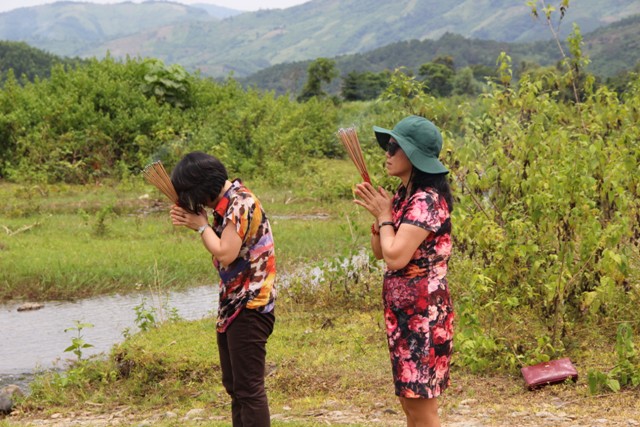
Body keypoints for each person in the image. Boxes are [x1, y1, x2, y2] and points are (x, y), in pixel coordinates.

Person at [353, 116, 454, 427]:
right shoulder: (402, 196)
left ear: (413, 156)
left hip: (423, 315)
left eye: (394, 147)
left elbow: (396, 258)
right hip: (404, 314)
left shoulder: (426, 200)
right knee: (409, 404)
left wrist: (385, 216)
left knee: (423, 409)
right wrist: (379, 219)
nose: (387, 153)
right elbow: (382, 251)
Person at [169, 151, 276, 427]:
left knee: (249, 390)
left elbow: (225, 253)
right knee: (235, 386)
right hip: (233, 304)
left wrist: (201, 226)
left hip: (250, 304)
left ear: (203, 187)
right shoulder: (227, 205)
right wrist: (203, 223)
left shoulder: (241, 202)